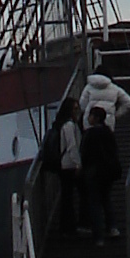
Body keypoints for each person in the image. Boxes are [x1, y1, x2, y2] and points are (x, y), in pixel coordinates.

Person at [79, 98, 128, 251]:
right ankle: (113, 227)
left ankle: (98, 236)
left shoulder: (89, 134)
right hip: (108, 172)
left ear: (95, 118)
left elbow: (84, 154)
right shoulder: (108, 133)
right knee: (106, 199)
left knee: (94, 203)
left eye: (91, 116)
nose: (88, 118)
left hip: (93, 172)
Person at [55, 99, 83, 237]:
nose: (76, 112)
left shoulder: (66, 125)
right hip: (69, 165)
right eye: (74, 109)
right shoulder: (69, 126)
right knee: (69, 196)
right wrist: (78, 164)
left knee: (67, 196)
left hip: (65, 164)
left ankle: (66, 227)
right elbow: (72, 146)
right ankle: (69, 227)